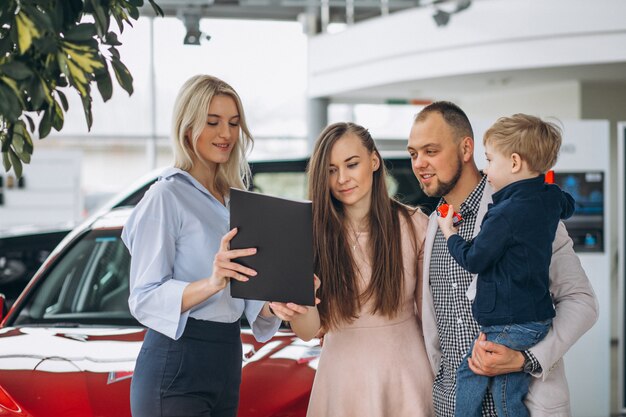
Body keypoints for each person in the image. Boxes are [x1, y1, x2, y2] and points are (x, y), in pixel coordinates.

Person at [407, 101, 598, 417]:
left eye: (430, 150)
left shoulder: (525, 211)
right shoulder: (433, 225)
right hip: (447, 404)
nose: (419, 163)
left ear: (466, 148)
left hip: (517, 404)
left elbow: (582, 301)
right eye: (414, 154)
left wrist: (526, 359)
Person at [121, 75, 282, 417]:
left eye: (234, 123)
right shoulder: (166, 196)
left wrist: (280, 302)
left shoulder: (237, 202)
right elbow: (144, 296)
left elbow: (250, 300)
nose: (226, 134)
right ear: (187, 127)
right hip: (177, 361)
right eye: (213, 122)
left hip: (226, 356)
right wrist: (211, 283)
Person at [270, 122, 435, 417]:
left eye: (351, 164)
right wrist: (303, 301)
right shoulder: (308, 234)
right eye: (331, 170)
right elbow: (308, 332)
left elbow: (431, 319)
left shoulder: (415, 225)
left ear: (374, 161)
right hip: (342, 377)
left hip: (405, 375)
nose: (342, 178)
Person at [436, 114, 575, 417]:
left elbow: (474, 259)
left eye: (489, 160)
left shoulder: (506, 214)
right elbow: (568, 204)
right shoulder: (549, 197)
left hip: (510, 322)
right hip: (535, 319)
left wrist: (450, 233)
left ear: (513, 163)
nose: (485, 169)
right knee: (506, 392)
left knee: (473, 372)